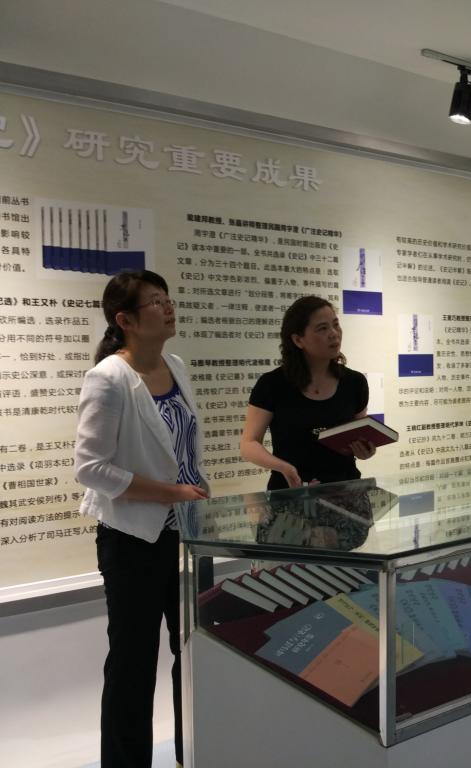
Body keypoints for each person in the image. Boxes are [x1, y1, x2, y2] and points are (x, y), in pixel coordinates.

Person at [74, 270, 209, 768]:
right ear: (125, 320)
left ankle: (193, 753)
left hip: (187, 534)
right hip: (134, 539)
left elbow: (183, 449)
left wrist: (191, 496)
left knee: (193, 653)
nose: (167, 307)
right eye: (155, 301)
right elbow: (90, 468)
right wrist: (169, 493)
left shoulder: (175, 364)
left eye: (167, 298)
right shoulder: (109, 377)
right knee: (133, 662)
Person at [240, 295, 375, 490]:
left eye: (335, 325)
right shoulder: (272, 384)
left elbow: (359, 435)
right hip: (291, 493)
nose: (334, 334)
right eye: (322, 328)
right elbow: (249, 443)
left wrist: (365, 450)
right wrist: (284, 467)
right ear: (298, 340)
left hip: (346, 491)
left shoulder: (354, 382)